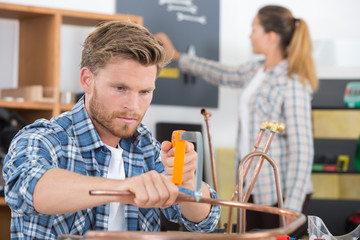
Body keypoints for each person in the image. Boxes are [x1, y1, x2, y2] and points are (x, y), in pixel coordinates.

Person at [2, 20, 220, 239]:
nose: (133, 106)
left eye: (144, 92)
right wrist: (124, 188)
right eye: (120, 88)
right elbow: (29, 187)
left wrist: (187, 181)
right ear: (87, 80)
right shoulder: (42, 138)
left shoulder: (147, 148)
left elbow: (204, 222)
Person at [156, 5, 317, 236]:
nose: (250, 35)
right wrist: (178, 57)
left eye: (254, 30)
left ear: (271, 37)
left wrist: (290, 206)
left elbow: (302, 150)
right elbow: (222, 73)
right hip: (250, 186)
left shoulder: (291, 82)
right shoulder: (256, 70)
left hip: (280, 193)